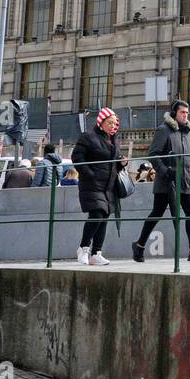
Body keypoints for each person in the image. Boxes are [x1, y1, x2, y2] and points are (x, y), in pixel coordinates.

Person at [133, 100, 190, 263]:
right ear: (175, 113)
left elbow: (188, 155)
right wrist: (166, 171)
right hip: (167, 182)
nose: (185, 115)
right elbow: (153, 155)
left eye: (187, 113)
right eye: (183, 112)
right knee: (157, 213)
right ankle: (139, 245)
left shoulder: (188, 131)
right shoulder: (164, 130)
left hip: (186, 180)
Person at [72, 108, 127, 265]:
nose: (112, 126)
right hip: (92, 184)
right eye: (109, 123)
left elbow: (114, 163)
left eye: (115, 123)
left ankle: (96, 252)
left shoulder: (113, 139)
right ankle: (83, 248)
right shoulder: (88, 137)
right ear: (100, 122)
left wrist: (122, 163)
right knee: (97, 214)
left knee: (104, 217)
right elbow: (77, 157)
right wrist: (89, 174)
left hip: (108, 186)